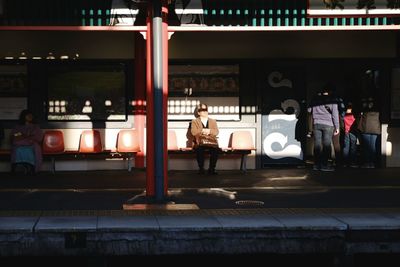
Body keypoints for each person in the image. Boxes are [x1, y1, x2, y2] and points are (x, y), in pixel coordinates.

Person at [308, 88, 340, 171]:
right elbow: (335, 114)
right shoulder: (332, 100)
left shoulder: (315, 99)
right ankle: (324, 165)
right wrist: (337, 127)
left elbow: (309, 110)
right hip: (328, 124)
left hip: (316, 124)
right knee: (326, 145)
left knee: (317, 144)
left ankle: (316, 165)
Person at [10, 109, 43, 174]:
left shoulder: (35, 127)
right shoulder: (18, 127)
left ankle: (31, 167)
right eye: (28, 115)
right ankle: (18, 167)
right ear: (23, 116)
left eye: (31, 115)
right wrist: (22, 135)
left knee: (31, 150)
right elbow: (14, 135)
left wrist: (27, 137)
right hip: (19, 144)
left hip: (31, 144)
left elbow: (38, 137)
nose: (30, 116)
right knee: (18, 149)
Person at [190, 103, 219, 175]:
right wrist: (203, 130)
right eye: (202, 110)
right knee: (199, 149)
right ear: (198, 112)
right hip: (200, 142)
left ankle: (212, 169)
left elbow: (216, 132)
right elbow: (193, 132)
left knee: (215, 150)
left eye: (206, 109)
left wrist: (209, 131)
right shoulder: (194, 121)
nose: (205, 111)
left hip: (211, 142)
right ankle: (201, 169)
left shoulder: (213, 121)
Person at [358, 97, 381, 168]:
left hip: (366, 128)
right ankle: (372, 163)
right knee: (373, 146)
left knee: (366, 147)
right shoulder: (377, 108)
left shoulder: (365, 108)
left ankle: (367, 162)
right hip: (375, 128)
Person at [342, 102, 358, 168]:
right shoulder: (354, 112)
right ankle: (352, 162)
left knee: (346, 147)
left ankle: (345, 162)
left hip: (346, 131)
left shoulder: (344, 113)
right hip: (353, 131)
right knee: (353, 147)